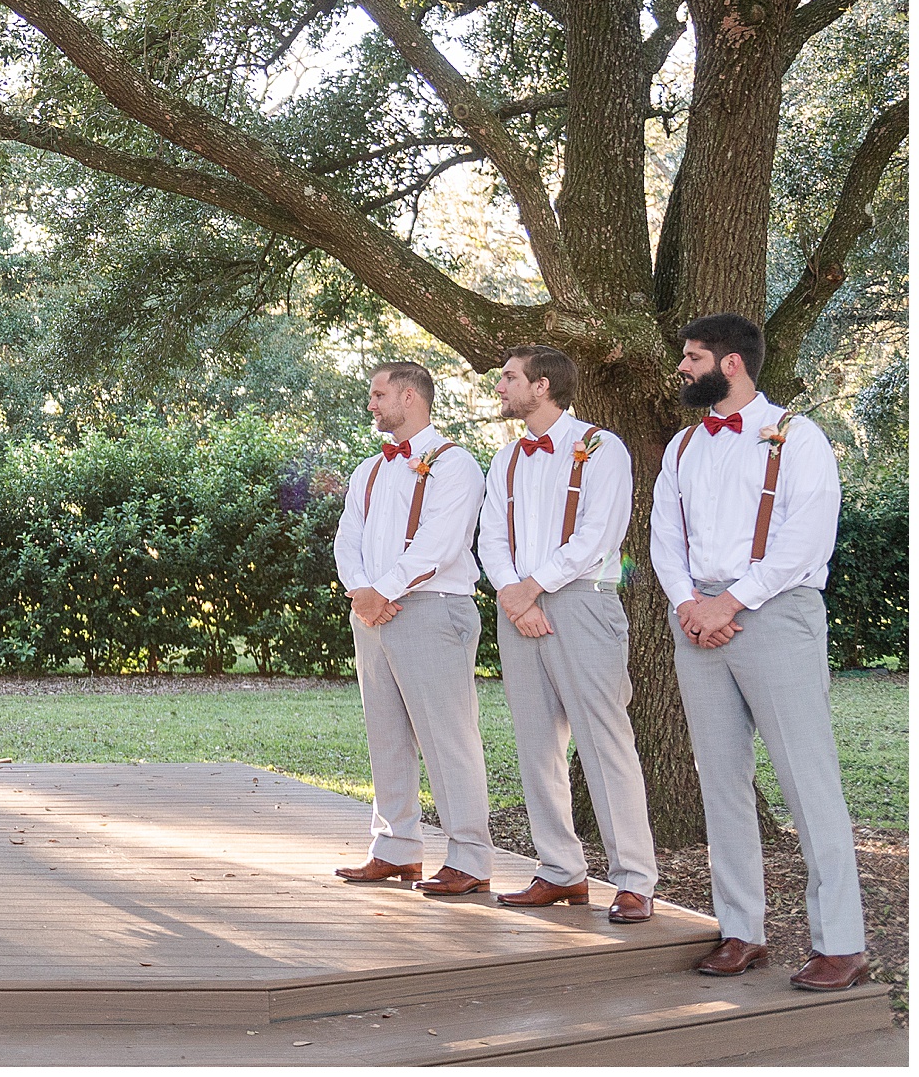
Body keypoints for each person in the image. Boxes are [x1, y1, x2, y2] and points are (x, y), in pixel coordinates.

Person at [652, 312, 866, 990]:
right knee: (720, 782)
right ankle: (742, 930)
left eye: (691, 358)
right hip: (698, 625)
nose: (682, 369)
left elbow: (806, 537)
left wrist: (730, 602)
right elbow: (664, 535)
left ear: (731, 363)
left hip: (775, 614)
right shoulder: (682, 447)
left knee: (808, 780)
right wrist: (688, 603)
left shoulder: (798, 438)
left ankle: (842, 943)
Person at [477, 346, 658, 922]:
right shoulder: (505, 457)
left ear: (544, 385)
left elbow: (599, 536)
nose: (500, 387)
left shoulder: (602, 447)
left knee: (606, 743)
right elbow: (490, 538)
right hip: (517, 607)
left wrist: (531, 588)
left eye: (509, 378)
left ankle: (634, 879)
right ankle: (560, 870)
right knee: (536, 745)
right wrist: (513, 592)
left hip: (582, 604)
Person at [328, 360, 492, 896]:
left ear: (410, 397)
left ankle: (470, 856)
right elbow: (346, 536)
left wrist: (385, 590)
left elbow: (441, 542)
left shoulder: (455, 463)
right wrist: (361, 591)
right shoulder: (368, 470)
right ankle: (396, 849)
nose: (371, 404)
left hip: (432, 607)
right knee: (386, 733)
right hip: (372, 611)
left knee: (448, 736)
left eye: (378, 395)